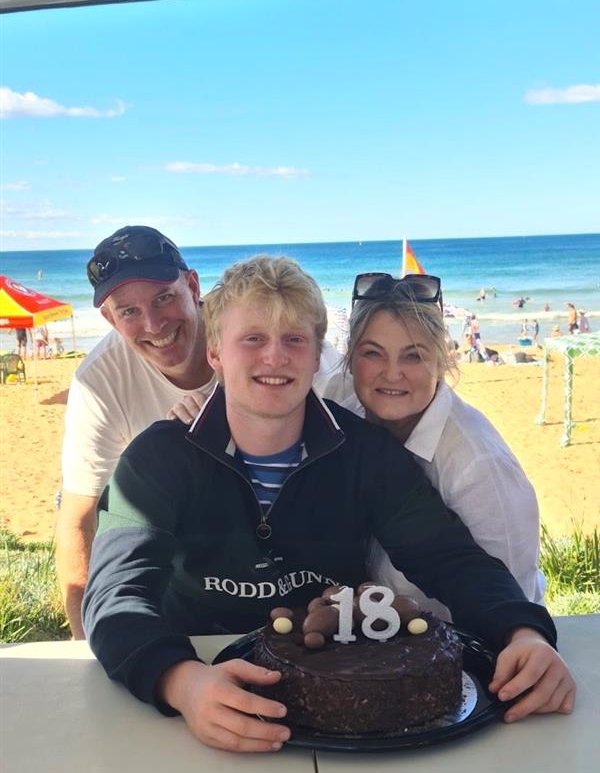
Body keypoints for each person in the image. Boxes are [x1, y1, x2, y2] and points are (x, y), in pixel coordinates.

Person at [83, 256, 574, 754]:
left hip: (343, 695)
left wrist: (523, 632)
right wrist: (180, 681)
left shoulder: (363, 451)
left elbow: (448, 556)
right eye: (252, 338)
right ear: (214, 352)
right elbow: (115, 594)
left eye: (294, 340)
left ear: (318, 354)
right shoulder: (158, 457)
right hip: (202, 693)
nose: (275, 358)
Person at [57, 226, 341, 639]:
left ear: (192, 286)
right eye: (128, 311)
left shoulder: (275, 342)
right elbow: (78, 518)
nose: (154, 324)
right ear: (108, 318)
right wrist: (86, 648)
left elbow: (349, 452)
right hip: (188, 575)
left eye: (163, 297)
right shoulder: (100, 382)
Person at [322, 272, 545, 613]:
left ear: (441, 361)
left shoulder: (479, 467)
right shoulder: (344, 404)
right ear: (350, 357)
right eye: (373, 353)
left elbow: (512, 599)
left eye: (413, 356)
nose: (392, 373)